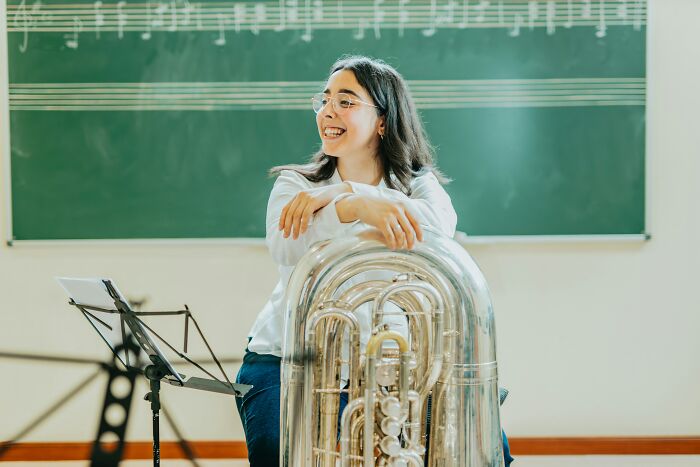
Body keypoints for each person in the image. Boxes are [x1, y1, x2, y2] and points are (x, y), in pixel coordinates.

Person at [235, 55, 514, 466]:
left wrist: (346, 196)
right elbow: (286, 245)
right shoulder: (295, 183)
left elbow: (436, 230)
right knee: (275, 452)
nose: (328, 111)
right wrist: (356, 208)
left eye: (346, 101)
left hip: (394, 363)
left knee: (488, 450)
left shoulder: (419, 184)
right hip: (288, 357)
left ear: (383, 120)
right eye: (325, 99)